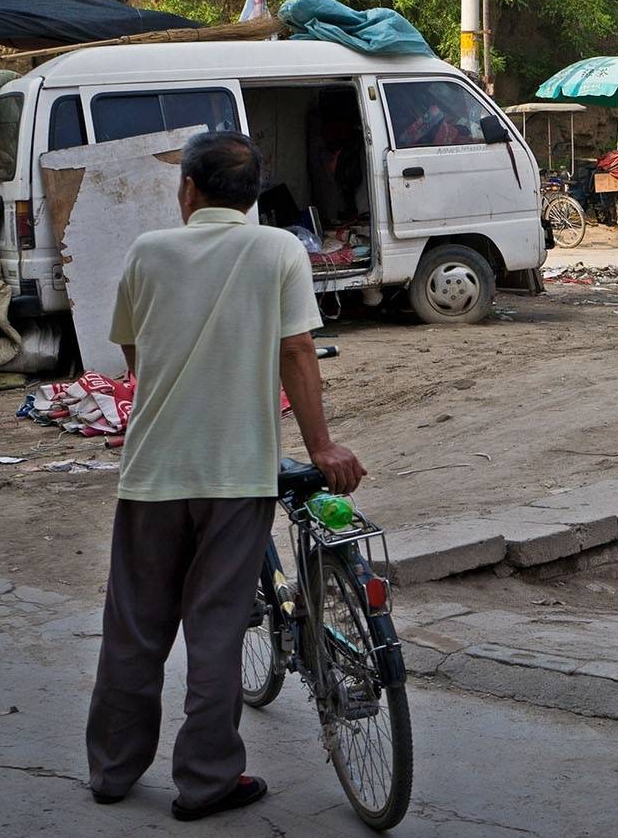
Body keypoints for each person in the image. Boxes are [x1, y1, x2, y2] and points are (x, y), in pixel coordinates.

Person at [87, 132, 365, 821]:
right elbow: (296, 350)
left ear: (189, 189)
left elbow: (133, 351)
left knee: (134, 627)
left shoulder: (149, 252)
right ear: (251, 195)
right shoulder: (276, 250)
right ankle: (207, 780)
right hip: (236, 475)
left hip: (153, 470)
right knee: (214, 627)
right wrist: (322, 444)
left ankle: (113, 770)